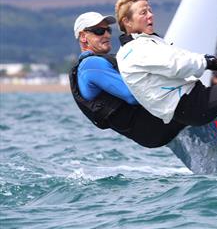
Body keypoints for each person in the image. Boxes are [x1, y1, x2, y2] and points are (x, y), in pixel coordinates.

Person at [69, 11, 186, 148]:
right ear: (83, 37)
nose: (107, 35)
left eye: (108, 30)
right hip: (156, 126)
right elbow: (133, 95)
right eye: (99, 31)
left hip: (152, 132)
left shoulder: (97, 64)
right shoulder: (91, 65)